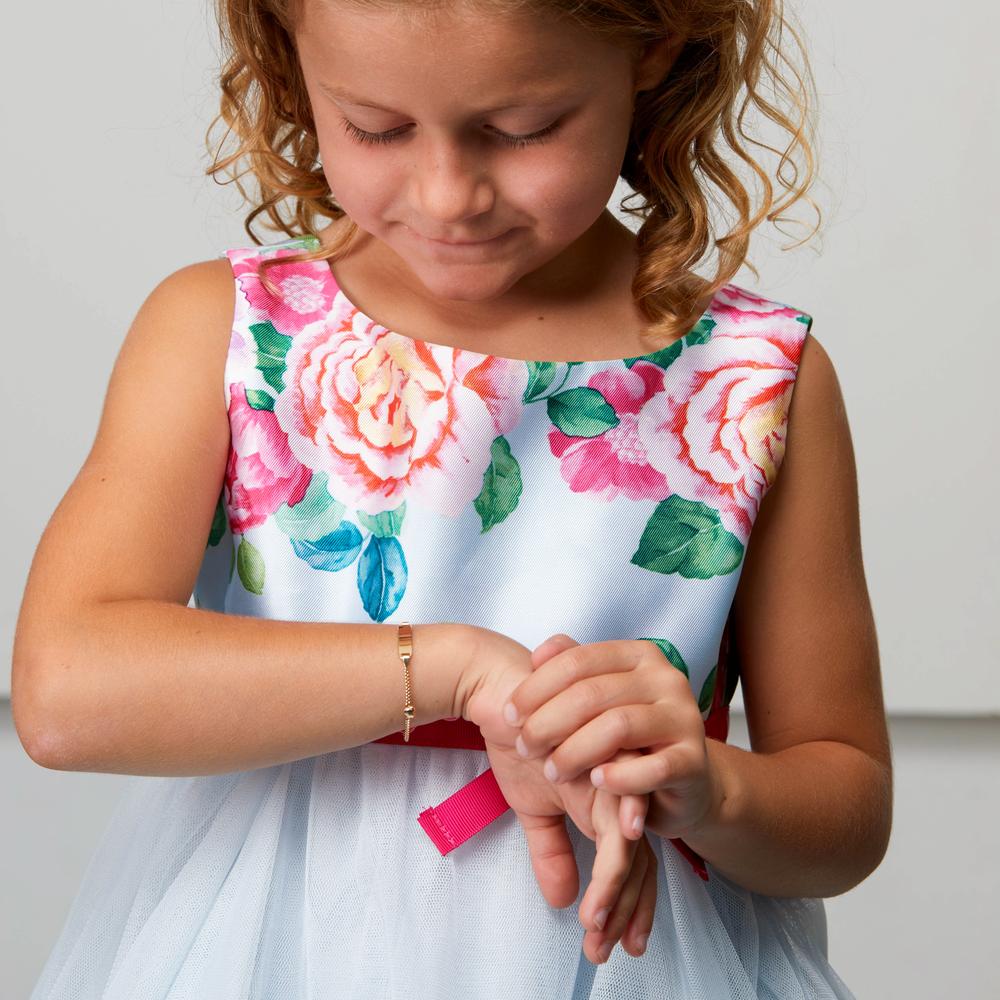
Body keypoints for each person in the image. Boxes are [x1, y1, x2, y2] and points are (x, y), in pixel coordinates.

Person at [11, 0, 892, 996]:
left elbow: (845, 813)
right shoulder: (226, 332)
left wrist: (709, 788)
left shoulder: (754, 381)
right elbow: (65, 691)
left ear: (653, 50)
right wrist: (459, 671)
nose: (446, 195)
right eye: (375, 127)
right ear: (291, 63)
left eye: (519, 130)